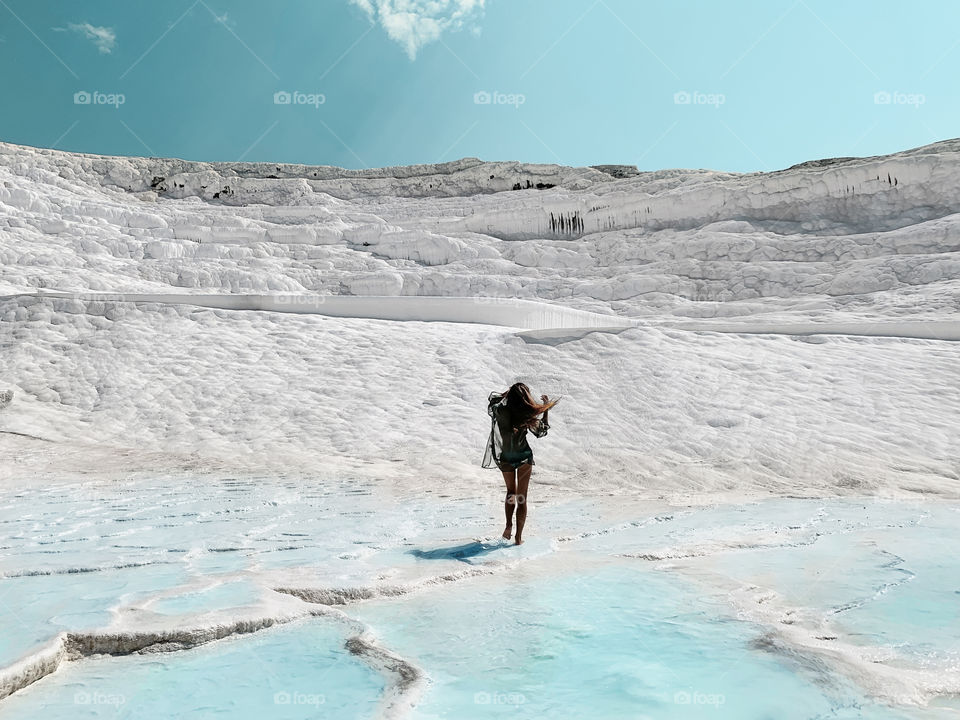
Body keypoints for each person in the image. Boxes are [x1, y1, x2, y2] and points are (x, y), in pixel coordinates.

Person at [482, 383, 559, 545]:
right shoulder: (525, 414)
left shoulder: (500, 410)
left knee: (511, 492)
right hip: (523, 456)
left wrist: (507, 394)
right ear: (525, 397)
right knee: (522, 497)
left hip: (506, 457)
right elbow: (541, 432)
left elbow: (492, 400)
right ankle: (518, 538)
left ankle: (508, 525)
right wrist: (545, 411)